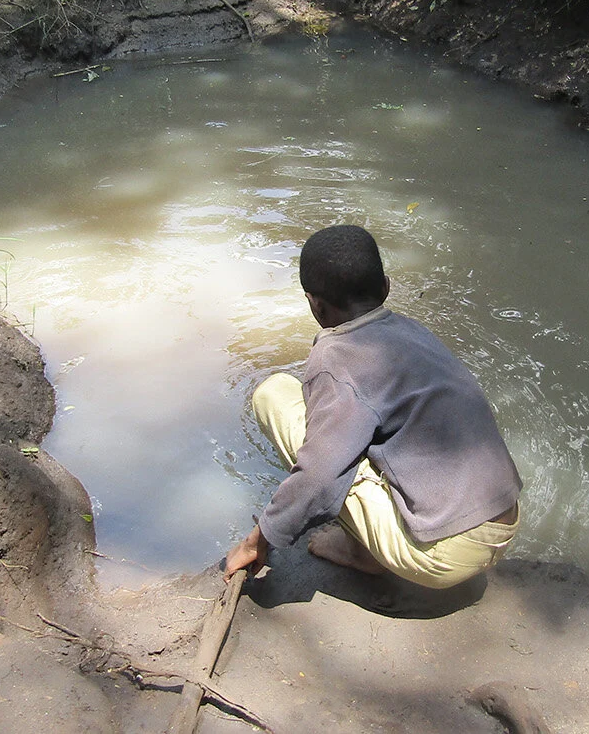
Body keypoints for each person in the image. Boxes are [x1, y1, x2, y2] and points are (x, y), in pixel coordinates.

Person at [223, 224, 522, 589]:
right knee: (358, 430)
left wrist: (257, 540)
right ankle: (382, 534)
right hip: (505, 517)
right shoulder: (412, 331)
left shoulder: (334, 359)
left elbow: (317, 477)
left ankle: (364, 552)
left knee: (273, 395)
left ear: (314, 304)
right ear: (385, 287)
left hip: (443, 554)